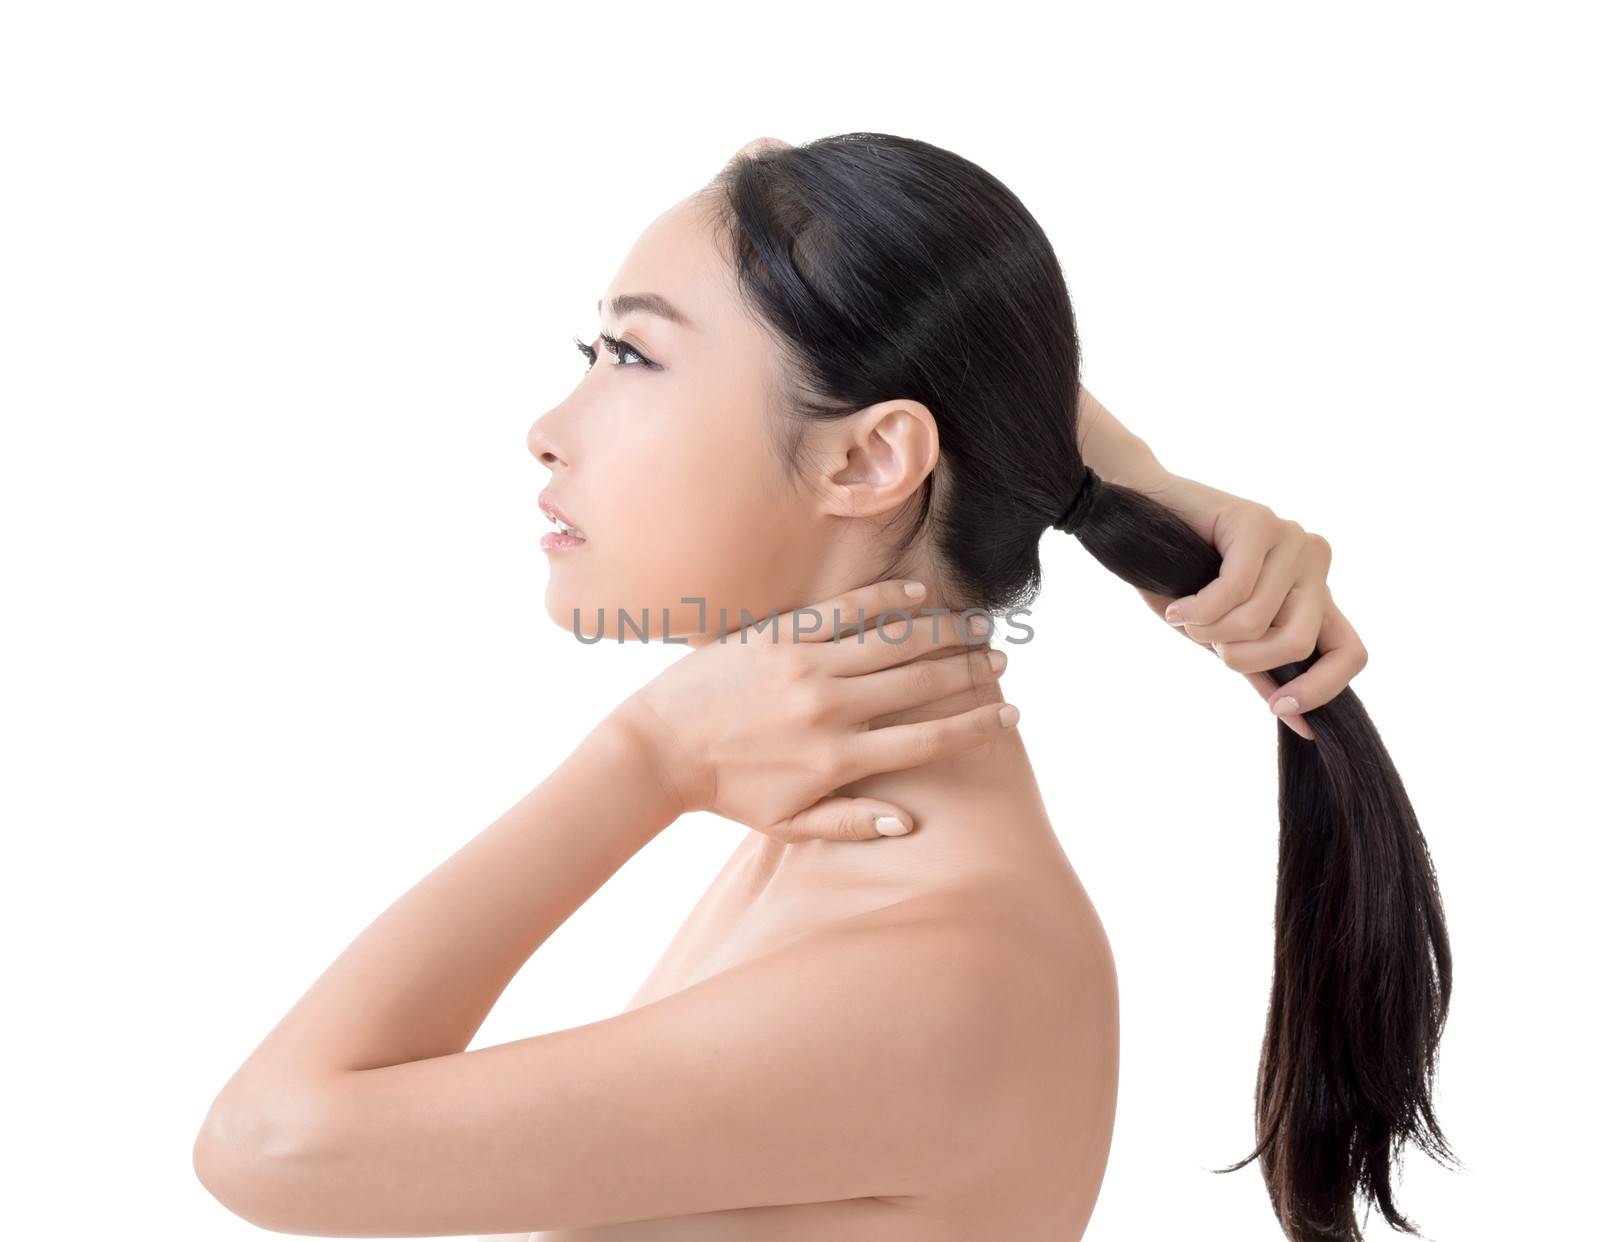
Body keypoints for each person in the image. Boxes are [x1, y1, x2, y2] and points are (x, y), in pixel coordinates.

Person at [193, 134, 1450, 1242]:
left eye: (628, 355)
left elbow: (269, 1148)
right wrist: (1133, 474)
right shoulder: (841, 857)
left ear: (867, 455)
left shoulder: (940, 971)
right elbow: (887, 314)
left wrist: (643, 761)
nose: (549, 425)